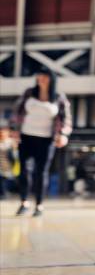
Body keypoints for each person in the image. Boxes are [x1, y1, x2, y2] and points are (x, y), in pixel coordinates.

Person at [10, 67, 72, 216]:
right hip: (25, 136)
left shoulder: (58, 97)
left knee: (41, 172)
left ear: (51, 79)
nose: (41, 79)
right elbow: (17, 111)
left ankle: (39, 204)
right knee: (23, 170)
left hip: (46, 139)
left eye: (45, 77)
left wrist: (63, 134)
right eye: (39, 76)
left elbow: (66, 118)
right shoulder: (29, 93)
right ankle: (24, 201)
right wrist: (14, 129)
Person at [0, 121, 16, 199]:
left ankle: (4, 193)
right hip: (1, 164)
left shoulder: (11, 141)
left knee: (4, 180)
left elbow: (14, 155)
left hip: (7, 165)